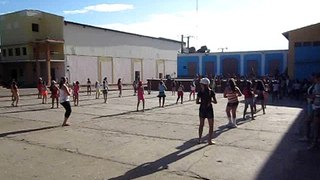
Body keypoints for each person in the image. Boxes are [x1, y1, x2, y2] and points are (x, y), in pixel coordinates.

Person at [196, 77, 217, 145]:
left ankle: (199, 139)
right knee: (211, 125)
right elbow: (215, 102)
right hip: (209, 109)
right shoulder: (211, 92)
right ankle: (209, 140)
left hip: (202, 108)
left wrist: (202, 103)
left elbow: (197, 102)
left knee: (201, 125)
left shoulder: (200, 92)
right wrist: (210, 101)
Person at [308, 73, 320, 149]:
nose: (314, 79)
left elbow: (317, 95)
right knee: (315, 125)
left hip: (318, 107)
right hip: (315, 106)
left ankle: (314, 142)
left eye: (315, 78)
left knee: (316, 126)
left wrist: (315, 96)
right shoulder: (316, 85)